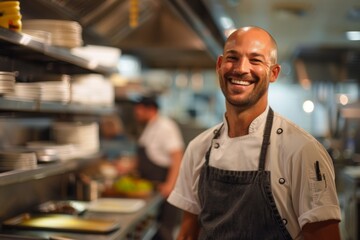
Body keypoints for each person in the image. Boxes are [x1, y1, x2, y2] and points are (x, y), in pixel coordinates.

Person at [167, 26, 342, 240]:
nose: (241, 69)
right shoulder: (198, 148)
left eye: (256, 60)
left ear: (273, 73)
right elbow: (187, 234)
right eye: (233, 57)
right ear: (220, 65)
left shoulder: (302, 151)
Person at [133, 95, 185, 240]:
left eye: (139, 110)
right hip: (153, 189)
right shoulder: (149, 127)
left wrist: (170, 185)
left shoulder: (165, 127)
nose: (136, 113)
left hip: (164, 189)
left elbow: (177, 157)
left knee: (164, 231)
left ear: (151, 110)